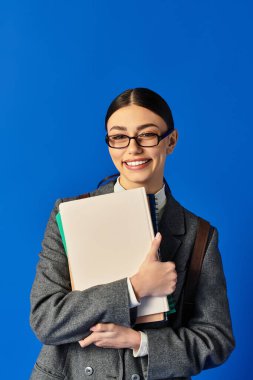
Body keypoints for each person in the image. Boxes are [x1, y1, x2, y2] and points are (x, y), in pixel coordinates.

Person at [30, 88, 235, 380]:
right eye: (118, 137)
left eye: (147, 135)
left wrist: (141, 342)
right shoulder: (69, 214)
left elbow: (217, 339)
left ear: (171, 141)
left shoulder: (200, 236)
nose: (133, 149)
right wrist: (134, 289)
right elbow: (45, 319)